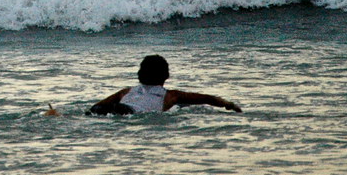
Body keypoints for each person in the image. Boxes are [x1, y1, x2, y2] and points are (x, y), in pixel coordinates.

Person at [85, 54, 242, 116]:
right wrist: (229, 104)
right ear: (166, 76)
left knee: (98, 111)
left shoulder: (126, 91)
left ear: (139, 75)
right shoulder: (171, 96)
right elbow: (207, 98)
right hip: (131, 113)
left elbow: (96, 106)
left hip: (118, 108)